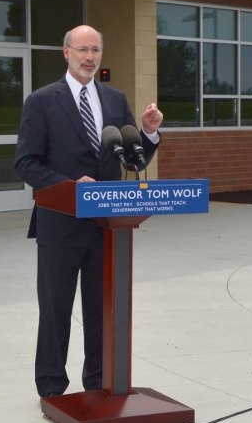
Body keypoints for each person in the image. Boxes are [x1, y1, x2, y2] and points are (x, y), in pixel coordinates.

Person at [14, 25, 164, 398]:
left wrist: (147, 133)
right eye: (82, 49)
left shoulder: (115, 99)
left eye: (96, 50)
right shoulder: (42, 101)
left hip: (107, 227)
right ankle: (51, 388)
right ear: (66, 52)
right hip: (59, 225)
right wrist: (69, 186)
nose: (90, 57)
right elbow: (26, 163)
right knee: (55, 312)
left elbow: (131, 156)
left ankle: (98, 383)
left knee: (101, 312)